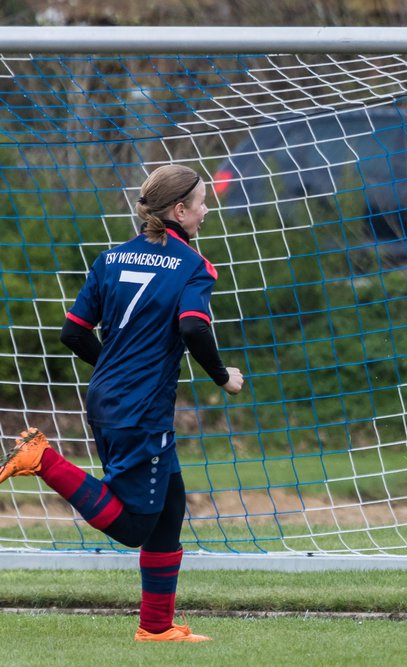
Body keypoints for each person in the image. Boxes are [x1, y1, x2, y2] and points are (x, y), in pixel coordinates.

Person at [0, 164, 243, 642]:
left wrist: (113, 367)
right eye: (201, 204)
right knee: (135, 527)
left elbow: (73, 332)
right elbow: (193, 327)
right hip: (141, 409)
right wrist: (223, 377)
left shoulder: (110, 259)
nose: (206, 211)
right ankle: (43, 459)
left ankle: (155, 628)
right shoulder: (194, 265)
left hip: (108, 395)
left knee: (170, 511)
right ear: (179, 210)